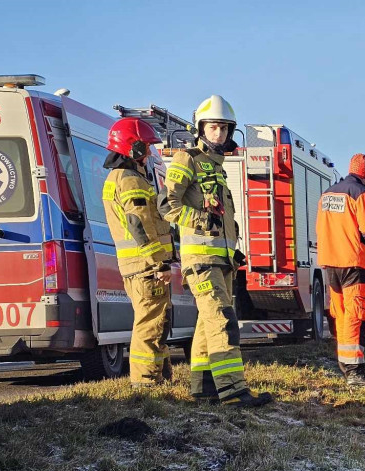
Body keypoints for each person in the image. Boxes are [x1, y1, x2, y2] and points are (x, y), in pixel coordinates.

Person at [163, 95, 272, 408]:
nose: (220, 134)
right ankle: (234, 392)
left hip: (220, 261)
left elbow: (222, 218)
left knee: (206, 325)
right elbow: (167, 206)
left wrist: (232, 252)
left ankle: (204, 386)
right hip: (201, 261)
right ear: (200, 128)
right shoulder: (188, 160)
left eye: (224, 128)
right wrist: (200, 220)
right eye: (214, 127)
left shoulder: (216, 167)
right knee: (223, 321)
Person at [101, 118, 174, 388]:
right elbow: (140, 224)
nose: (148, 154)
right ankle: (145, 382)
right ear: (133, 148)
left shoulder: (119, 177)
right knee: (150, 323)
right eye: (145, 148)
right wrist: (159, 263)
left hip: (138, 266)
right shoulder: (130, 180)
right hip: (146, 267)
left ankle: (160, 376)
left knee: (156, 320)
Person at [316, 153, 365, 386]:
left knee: (340, 313)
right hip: (353, 261)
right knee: (355, 313)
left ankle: (346, 365)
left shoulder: (327, 194)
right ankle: (355, 371)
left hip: (330, 261)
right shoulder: (362, 193)